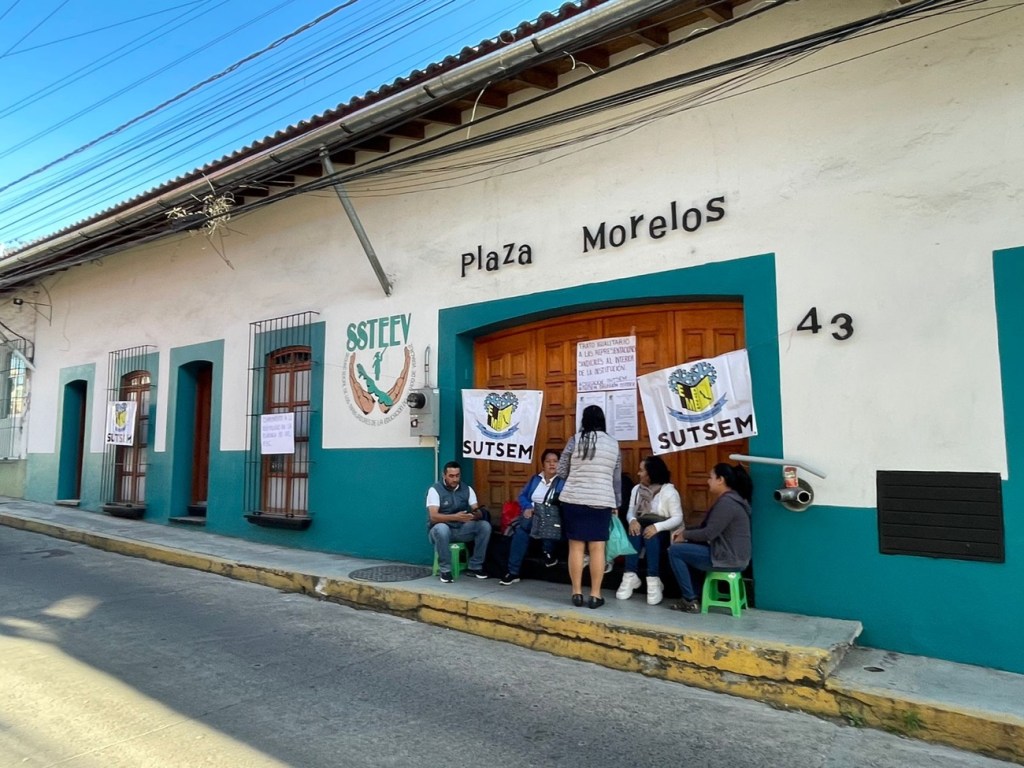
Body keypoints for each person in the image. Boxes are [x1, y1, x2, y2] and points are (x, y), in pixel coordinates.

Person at [557, 404, 621, 609]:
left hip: (574, 499)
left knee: (576, 546)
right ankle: (595, 595)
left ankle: (576, 592)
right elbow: (616, 477)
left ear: (583, 421)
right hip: (601, 500)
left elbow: (561, 469)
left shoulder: (575, 440)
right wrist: (616, 502)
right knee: (597, 548)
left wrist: (575, 477)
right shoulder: (613, 444)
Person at [667, 463, 753, 613]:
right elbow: (706, 528)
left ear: (721, 480)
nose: (708, 481)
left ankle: (689, 599)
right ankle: (696, 594)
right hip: (733, 556)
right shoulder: (732, 500)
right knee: (687, 550)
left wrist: (684, 535)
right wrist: (686, 531)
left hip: (729, 558)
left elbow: (708, 533)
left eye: (711, 477)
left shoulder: (727, 503)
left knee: (675, 551)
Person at [616, 455, 684, 606]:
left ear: (651, 473)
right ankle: (629, 575)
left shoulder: (669, 491)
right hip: (642, 526)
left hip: (663, 530)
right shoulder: (636, 490)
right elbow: (630, 512)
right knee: (634, 532)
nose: (639, 474)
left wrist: (657, 527)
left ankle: (654, 579)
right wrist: (632, 521)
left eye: (642, 471)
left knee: (650, 536)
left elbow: (677, 518)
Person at [500, 449, 563, 586]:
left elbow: (560, 502)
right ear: (543, 464)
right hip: (531, 515)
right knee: (521, 533)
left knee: (524, 526)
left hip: (550, 519)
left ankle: (548, 550)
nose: (552, 464)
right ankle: (513, 572)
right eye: (548, 461)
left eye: (555, 461)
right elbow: (522, 496)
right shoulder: (535, 479)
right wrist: (528, 507)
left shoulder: (561, 482)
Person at [426, 461, 491, 583]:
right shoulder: (434, 490)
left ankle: (475, 566)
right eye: (451, 476)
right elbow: (433, 517)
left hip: (460, 529)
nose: (455, 479)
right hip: (440, 532)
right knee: (441, 528)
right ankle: (445, 569)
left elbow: (476, 509)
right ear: (444, 475)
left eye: (457, 475)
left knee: (484, 526)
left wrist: (474, 515)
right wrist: (456, 517)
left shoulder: (467, 489)